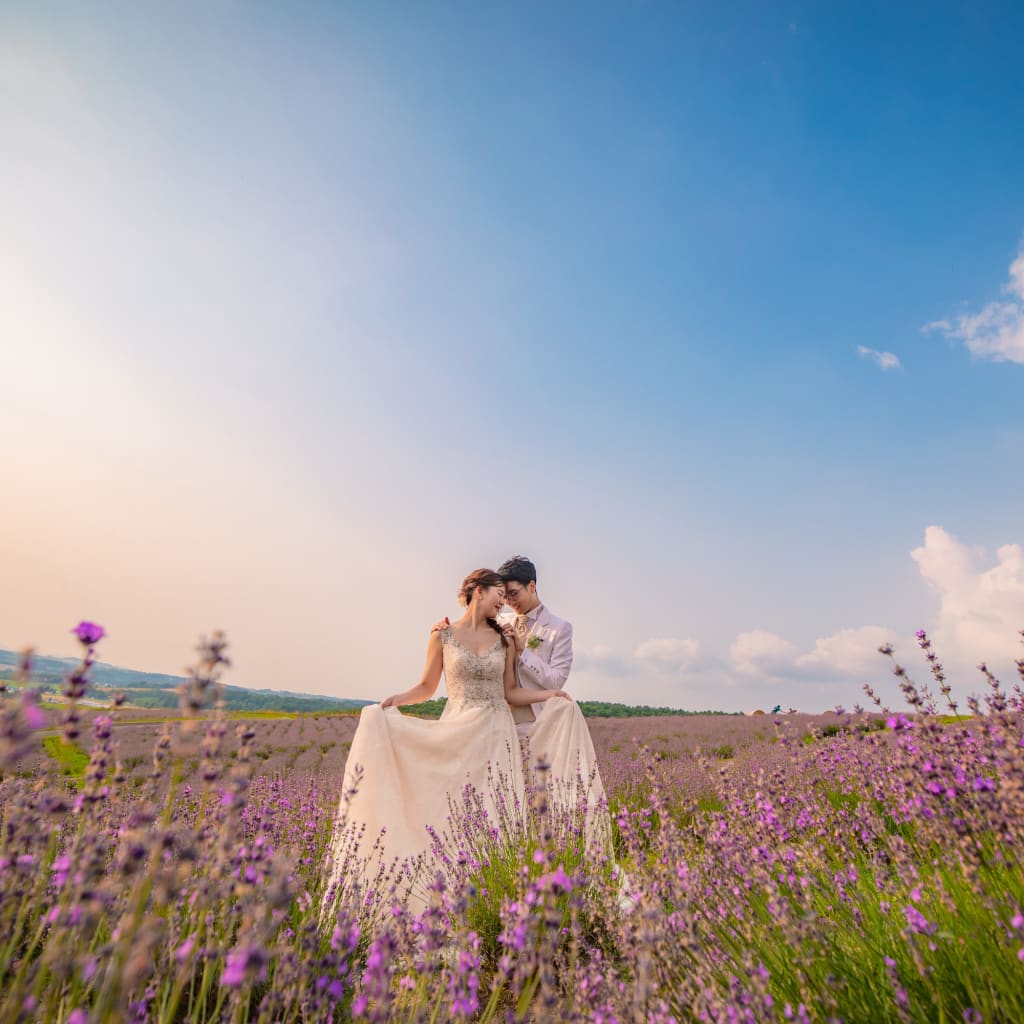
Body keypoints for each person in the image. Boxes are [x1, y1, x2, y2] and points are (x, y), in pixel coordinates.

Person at [324, 569, 580, 911]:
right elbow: (427, 687)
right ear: (477, 591)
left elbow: (511, 693)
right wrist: (394, 701)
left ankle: (495, 900)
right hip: (457, 731)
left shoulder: (504, 640)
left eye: (506, 595)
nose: (503, 602)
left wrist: (552, 694)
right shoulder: (442, 634)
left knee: (495, 814)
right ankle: (444, 895)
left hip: (495, 735)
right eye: (498, 594)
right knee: (450, 810)